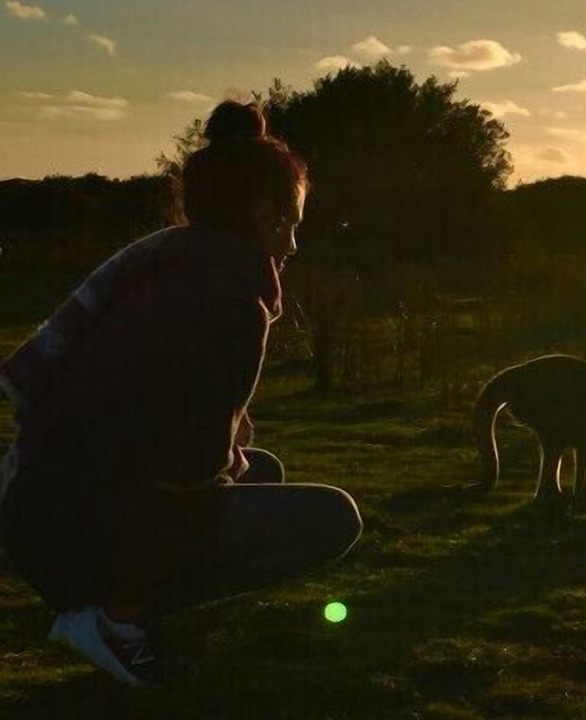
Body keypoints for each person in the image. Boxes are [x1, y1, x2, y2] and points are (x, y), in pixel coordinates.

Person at [0, 100, 362, 687]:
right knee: (332, 517)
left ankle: (120, 607)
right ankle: (117, 621)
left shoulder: (165, 263)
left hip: (35, 505)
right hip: (76, 530)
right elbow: (181, 477)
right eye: (290, 224)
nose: (293, 245)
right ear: (261, 214)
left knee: (260, 470)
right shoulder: (233, 300)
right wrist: (129, 586)